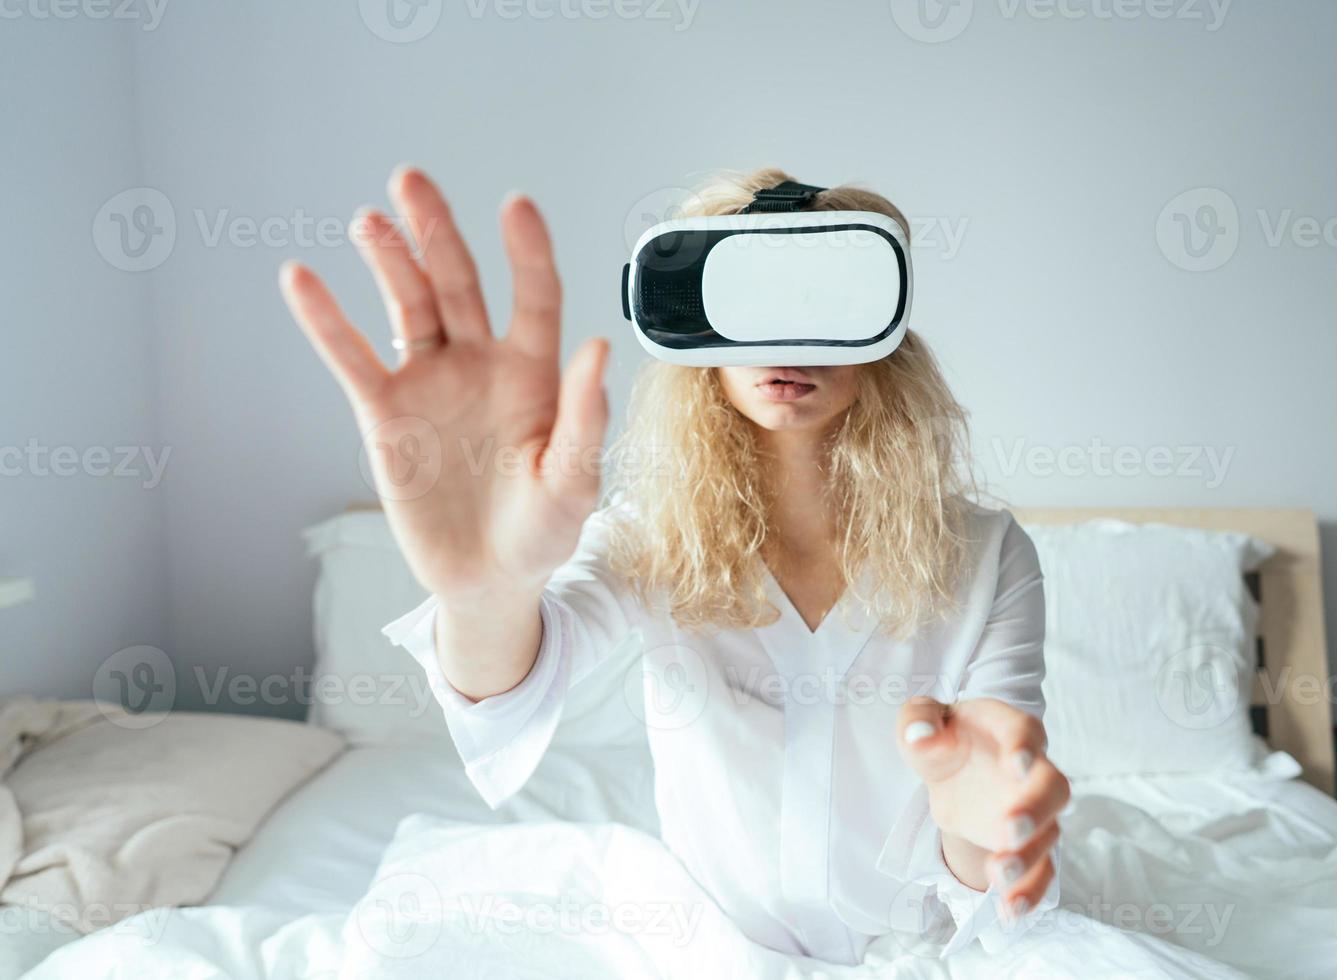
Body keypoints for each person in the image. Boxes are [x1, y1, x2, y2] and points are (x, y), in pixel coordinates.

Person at [279, 166, 1070, 964]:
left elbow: (989, 823)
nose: (786, 342)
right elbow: (512, 680)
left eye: (822, 302)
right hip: (702, 948)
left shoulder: (987, 555)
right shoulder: (650, 533)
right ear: (697, 329)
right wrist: (485, 593)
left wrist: (973, 821)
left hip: (923, 951)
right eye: (752, 304)